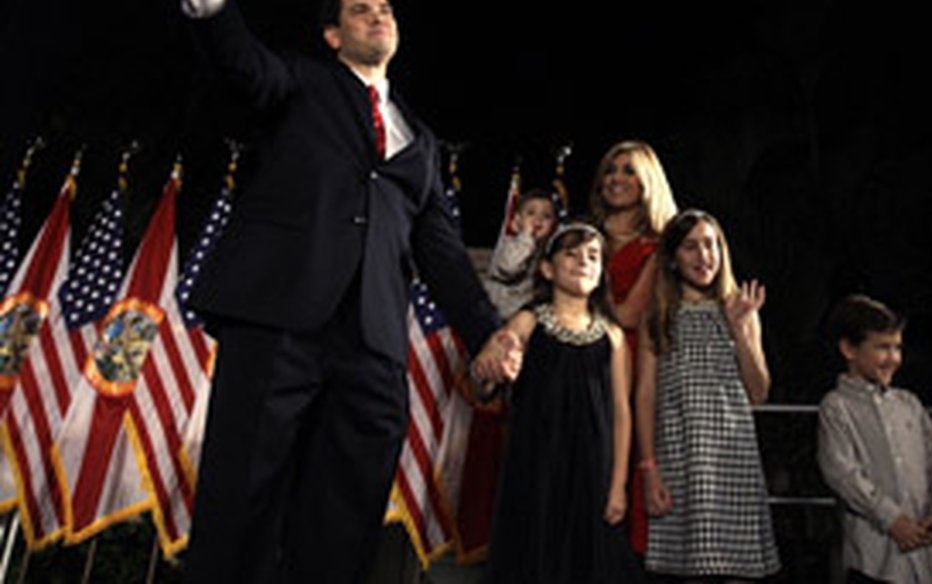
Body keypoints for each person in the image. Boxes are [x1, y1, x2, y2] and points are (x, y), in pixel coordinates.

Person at [178, 1, 519, 582]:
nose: (376, 14)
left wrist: (487, 331)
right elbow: (244, 66)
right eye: (359, 9)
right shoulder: (300, 83)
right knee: (244, 493)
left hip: (373, 342)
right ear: (334, 36)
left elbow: (440, 251)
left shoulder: (422, 141)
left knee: (346, 512)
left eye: (384, 7)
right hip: (278, 317)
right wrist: (213, 12)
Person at [481, 222, 645, 584]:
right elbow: (494, 366)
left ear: (602, 271)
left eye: (592, 256)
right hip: (536, 460)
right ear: (548, 269)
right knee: (533, 553)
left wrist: (618, 485)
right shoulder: (527, 321)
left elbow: (621, 413)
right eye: (571, 254)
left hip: (591, 467)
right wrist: (497, 356)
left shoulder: (613, 337)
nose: (582, 262)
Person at [635, 209, 781, 582]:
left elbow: (759, 392)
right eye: (691, 247)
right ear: (673, 257)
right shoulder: (658, 317)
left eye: (711, 245)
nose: (704, 256)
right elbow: (646, 395)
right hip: (680, 458)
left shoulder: (738, 309)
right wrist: (649, 469)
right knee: (689, 570)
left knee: (735, 570)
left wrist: (742, 330)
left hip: (732, 459)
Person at [817, 294, 932, 584]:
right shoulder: (837, 406)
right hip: (876, 562)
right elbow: (842, 473)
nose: (893, 358)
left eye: (897, 348)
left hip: (930, 560)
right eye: (882, 347)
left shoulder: (909, 404)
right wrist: (891, 519)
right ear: (849, 349)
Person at [587, 139, 678, 553]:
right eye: (611, 169)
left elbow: (626, 316)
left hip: (629, 367)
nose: (616, 179)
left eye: (628, 171)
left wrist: (580, 281)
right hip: (578, 361)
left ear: (647, 183)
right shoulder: (582, 235)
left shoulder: (659, 247)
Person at [483, 187, 559, 319]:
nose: (538, 219)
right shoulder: (511, 243)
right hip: (497, 309)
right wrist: (526, 238)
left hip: (522, 312)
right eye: (531, 213)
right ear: (516, 222)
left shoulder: (547, 250)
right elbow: (508, 267)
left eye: (546, 216)